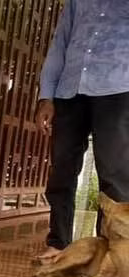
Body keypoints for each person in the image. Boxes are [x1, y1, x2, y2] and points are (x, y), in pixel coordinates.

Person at [34, 0, 129, 262]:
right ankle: (58, 243)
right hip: (69, 91)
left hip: (118, 89)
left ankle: (109, 253)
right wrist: (47, 97)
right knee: (62, 168)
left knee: (114, 174)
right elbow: (60, 44)